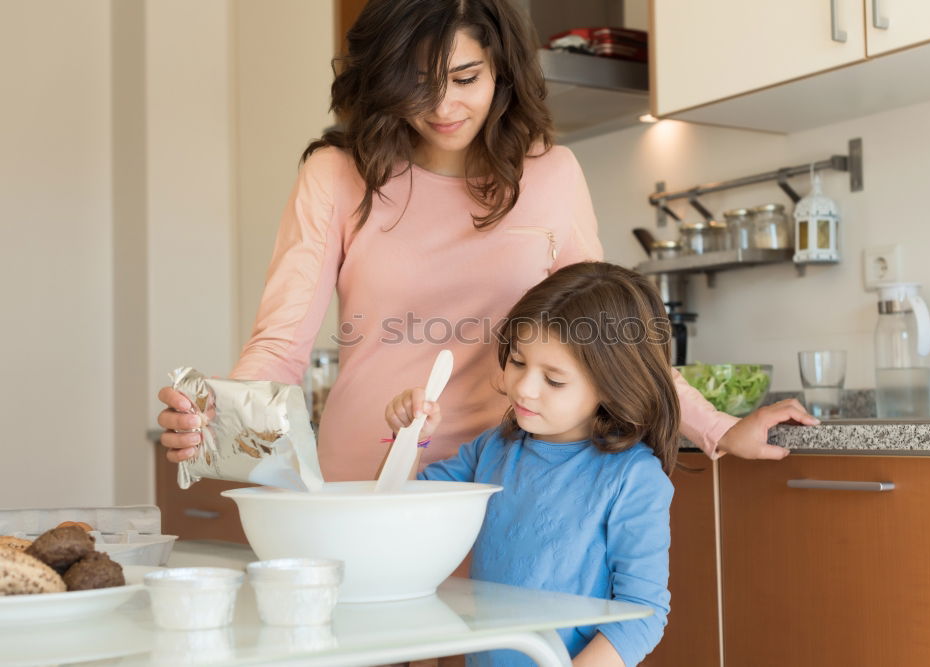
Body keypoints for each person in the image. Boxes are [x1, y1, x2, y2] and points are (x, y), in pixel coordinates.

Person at [157, 0, 816, 481]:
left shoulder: (552, 176)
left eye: (465, 78)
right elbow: (279, 345)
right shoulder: (335, 175)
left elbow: (609, 336)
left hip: (518, 475)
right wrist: (216, 421)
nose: (443, 105)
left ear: (501, 68)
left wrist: (721, 428)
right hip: (371, 472)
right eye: (418, 82)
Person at [384, 262, 685, 666]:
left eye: (554, 380)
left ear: (613, 385)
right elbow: (397, 515)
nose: (524, 388)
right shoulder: (490, 450)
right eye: (519, 362)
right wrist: (412, 438)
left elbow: (641, 614)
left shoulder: (633, 478)